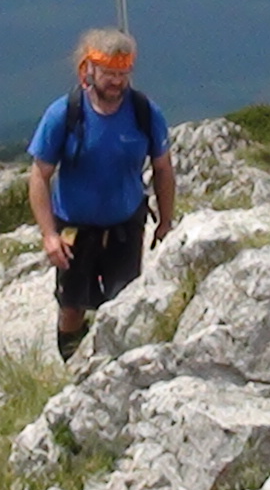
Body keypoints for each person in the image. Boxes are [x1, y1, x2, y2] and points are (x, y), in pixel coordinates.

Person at [28, 28, 175, 361]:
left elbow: (163, 168)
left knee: (124, 303)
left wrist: (165, 221)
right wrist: (49, 235)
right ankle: (73, 365)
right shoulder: (64, 114)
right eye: (109, 73)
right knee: (71, 306)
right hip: (74, 229)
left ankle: (117, 366)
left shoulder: (145, 113)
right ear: (88, 69)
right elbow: (39, 175)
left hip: (125, 226)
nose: (117, 81)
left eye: (123, 73)